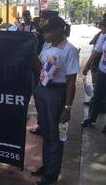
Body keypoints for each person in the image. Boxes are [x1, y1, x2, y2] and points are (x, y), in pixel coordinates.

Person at [32, 16, 79, 184]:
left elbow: (72, 81)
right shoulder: (46, 45)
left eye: (48, 30)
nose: (44, 33)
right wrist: (31, 54)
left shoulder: (69, 50)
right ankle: (47, 165)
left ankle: (52, 174)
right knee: (46, 132)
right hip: (43, 90)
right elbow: (40, 70)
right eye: (43, 31)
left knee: (56, 135)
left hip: (57, 93)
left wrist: (67, 107)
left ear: (59, 30)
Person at [30, 10, 59, 136]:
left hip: (47, 75)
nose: (41, 21)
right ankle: (43, 124)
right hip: (39, 70)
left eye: (43, 19)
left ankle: (46, 127)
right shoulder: (39, 32)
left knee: (46, 103)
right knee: (39, 101)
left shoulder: (51, 36)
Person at [81, 18, 106, 133]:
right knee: (97, 96)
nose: (100, 28)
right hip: (102, 70)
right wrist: (86, 66)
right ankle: (91, 119)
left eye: (102, 26)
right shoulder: (103, 36)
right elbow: (95, 52)